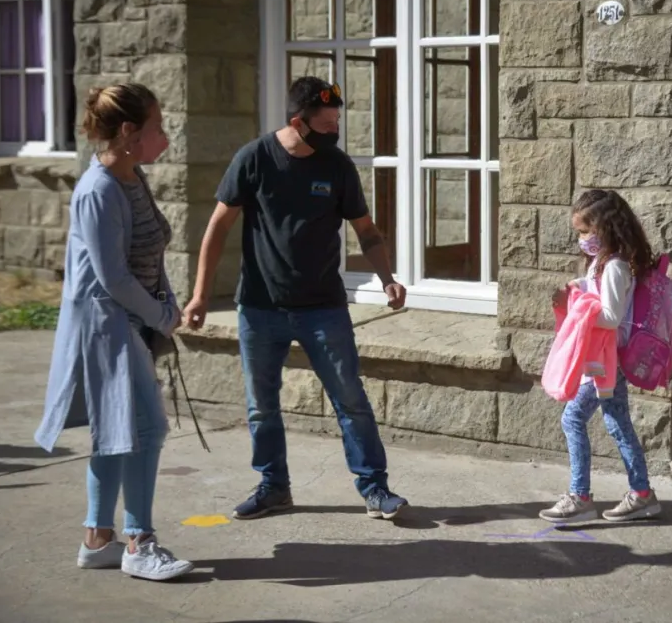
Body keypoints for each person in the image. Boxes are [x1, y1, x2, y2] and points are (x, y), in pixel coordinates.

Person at [181, 76, 409, 521]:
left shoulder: (337, 166)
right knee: (261, 406)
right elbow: (217, 228)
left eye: (337, 122)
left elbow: (366, 230)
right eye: (325, 124)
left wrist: (387, 279)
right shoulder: (254, 159)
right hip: (261, 309)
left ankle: (375, 489)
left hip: (323, 307)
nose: (333, 131)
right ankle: (273, 487)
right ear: (297, 122)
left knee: (351, 400)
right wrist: (200, 296)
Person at [34, 83, 194, 581]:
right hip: (107, 324)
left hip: (132, 319)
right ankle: (139, 542)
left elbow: (149, 251)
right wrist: (162, 316)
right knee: (145, 428)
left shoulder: (131, 175)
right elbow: (113, 278)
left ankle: (97, 539)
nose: (165, 137)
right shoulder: (98, 190)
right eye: (157, 127)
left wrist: (165, 300)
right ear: (128, 133)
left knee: (116, 433)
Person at [539, 189, 661, 524]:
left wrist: (581, 306)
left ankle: (580, 497)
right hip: (607, 358)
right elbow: (596, 287)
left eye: (584, 231)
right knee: (617, 423)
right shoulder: (605, 262)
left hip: (605, 359)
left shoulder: (616, 266)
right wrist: (577, 285)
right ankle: (642, 494)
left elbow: (609, 315)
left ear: (604, 228)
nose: (581, 239)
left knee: (573, 419)